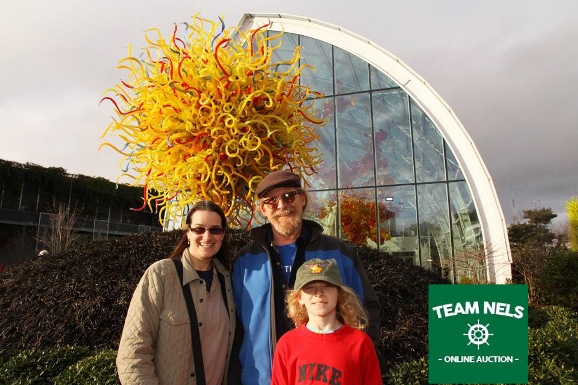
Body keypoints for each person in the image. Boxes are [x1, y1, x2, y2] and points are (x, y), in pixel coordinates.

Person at [232, 170, 381, 385]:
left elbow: (366, 310)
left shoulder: (338, 253)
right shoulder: (246, 261)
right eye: (272, 201)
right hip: (257, 379)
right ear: (264, 210)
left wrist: (358, 360)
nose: (282, 205)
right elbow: (233, 324)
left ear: (302, 199)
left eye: (289, 196)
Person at [117, 200, 237, 385]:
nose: (207, 236)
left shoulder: (227, 281)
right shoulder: (162, 275)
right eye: (199, 229)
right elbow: (133, 353)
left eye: (215, 230)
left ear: (222, 235)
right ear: (188, 232)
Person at [271, 258, 382, 385]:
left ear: (339, 293)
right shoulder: (287, 344)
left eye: (327, 286)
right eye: (310, 287)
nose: (319, 293)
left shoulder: (359, 343)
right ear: (299, 297)